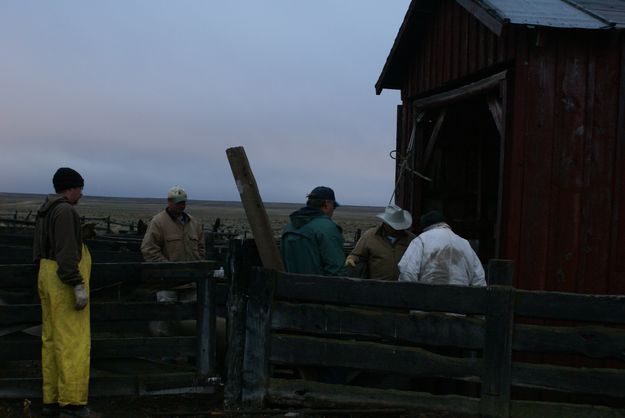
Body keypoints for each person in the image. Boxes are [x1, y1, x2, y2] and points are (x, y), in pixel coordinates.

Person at [33, 167, 100, 418]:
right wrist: (77, 284)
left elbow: (42, 248)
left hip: (46, 276)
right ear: (69, 188)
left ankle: (51, 399)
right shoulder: (64, 211)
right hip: (63, 282)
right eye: (79, 188)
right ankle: (72, 404)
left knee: (51, 341)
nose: (81, 194)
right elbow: (66, 252)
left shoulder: (45, 209)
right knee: (72, 342)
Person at [398, 210, 485, 286]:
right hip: (460, 301)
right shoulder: (465, 243)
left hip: (427, 300)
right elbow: (479, 279)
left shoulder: (421, 240)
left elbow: (408, 273)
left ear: (425, 227)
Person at [281, 186, 346, 276]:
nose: (333, 211)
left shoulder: (289, 226)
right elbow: (336, 268)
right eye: (333, 206)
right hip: (318, 287)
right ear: (327, 204)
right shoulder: (327, 229)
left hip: (290, 285)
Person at [345, 204, 415, 280]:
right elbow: (357, 254)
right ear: (385, 223)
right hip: (376, 287)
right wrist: (351, 258)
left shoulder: (412, 240)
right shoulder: (370, 236)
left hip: (404, 287)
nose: (396, 229)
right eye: (393, 226)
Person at [141, 185, 205, 262]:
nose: (181, 205)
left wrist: (199, 262)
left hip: (194, 272)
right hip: (168, 272)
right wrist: (168, 267)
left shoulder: (193, 223)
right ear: (169, 202)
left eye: (183, 202)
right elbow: (149, 250)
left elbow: (201, 248)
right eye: (177, 202)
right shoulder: (158, 222)